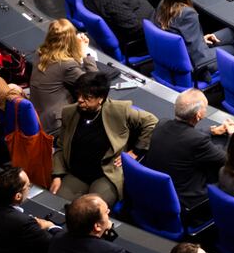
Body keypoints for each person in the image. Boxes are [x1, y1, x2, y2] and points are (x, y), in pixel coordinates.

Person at [50, 70, 157, 206]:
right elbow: (60, 146)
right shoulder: (69, 112)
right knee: (57, 205)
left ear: (100, 98)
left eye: (87, 97)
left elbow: (151, 122)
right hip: (77, 172)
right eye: (79, 95)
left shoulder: (118, 110)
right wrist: (57, 175)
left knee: (92, 210)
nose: (80, 100)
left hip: (106, 174)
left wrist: (135, 151)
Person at [142, 88, 231, 213]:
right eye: (205, 107)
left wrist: (211, 131)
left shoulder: (162, 124)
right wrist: (233, 135)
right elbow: (228, 159)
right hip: (187, 201)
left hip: (157, 192)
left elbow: (185, 133)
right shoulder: (198, 141)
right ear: (198, 115)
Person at [30, 17, 98, 133]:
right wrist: (85, 53)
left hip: (38, 117)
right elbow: (95, 84)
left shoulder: (40, 53)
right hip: (56, 126)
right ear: (71, 40)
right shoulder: (67, 65)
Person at [155, 0, 227, 80]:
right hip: (197, 64)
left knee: (230, 34)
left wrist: (200, 39)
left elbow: (179, 34)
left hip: (181, 51)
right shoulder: (188, 13)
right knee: (232, 49)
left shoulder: (163, 4)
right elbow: (196, 54)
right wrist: (199, 42)